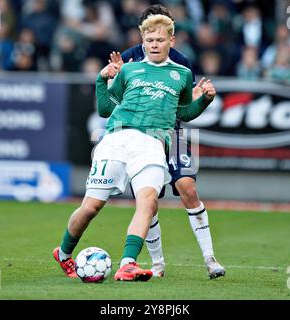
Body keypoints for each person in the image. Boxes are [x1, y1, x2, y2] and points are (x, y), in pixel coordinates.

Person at [53, 14, 214, 281]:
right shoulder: (129, 70)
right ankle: (64, 253)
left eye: (159, 40)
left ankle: (128, 263)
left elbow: (185, 112)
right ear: (142, 41)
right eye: (149, 40)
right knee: (91, 207)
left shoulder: (183, 74)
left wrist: (205, 100)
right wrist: (100, 80)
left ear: (171, 41)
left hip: (152, 142)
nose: (153, 44)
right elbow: (106, 109)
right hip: (116, 139)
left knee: (148, 201)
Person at [109, 4, 225, 279]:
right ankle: (158, 263)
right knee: (148, 200)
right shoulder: (128, 60)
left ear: (171, 34)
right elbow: (112, 101)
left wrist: (201, 97)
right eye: (151, 31)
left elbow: (185, 106)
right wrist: (113, 77)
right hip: (139, 138)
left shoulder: (181, 61)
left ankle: (210, 259)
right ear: (143, 32)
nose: (157, 38)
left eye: (164, 31)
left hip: (170, 134)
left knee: (188, 187)